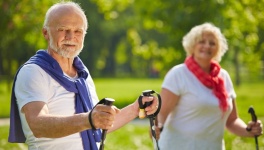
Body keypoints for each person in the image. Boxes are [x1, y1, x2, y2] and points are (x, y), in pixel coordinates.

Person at [8, 2, 159, 150]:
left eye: (78, 31)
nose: (70, 36)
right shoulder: (34, 72)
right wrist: (88, 119)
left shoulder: (82, 74)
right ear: (46, 33)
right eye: (63, 29)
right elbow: (38, 124)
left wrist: (136, 107)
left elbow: (97, 124)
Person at [156, 23, 263, 150]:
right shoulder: (178, 74)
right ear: (192, 45)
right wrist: (157, 127)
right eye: (202, 41)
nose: (207, 46)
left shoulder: (223, 77)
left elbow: (231, 121)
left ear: (218, 48)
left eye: (212, 43)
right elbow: (161, 113)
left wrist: (249, 130)